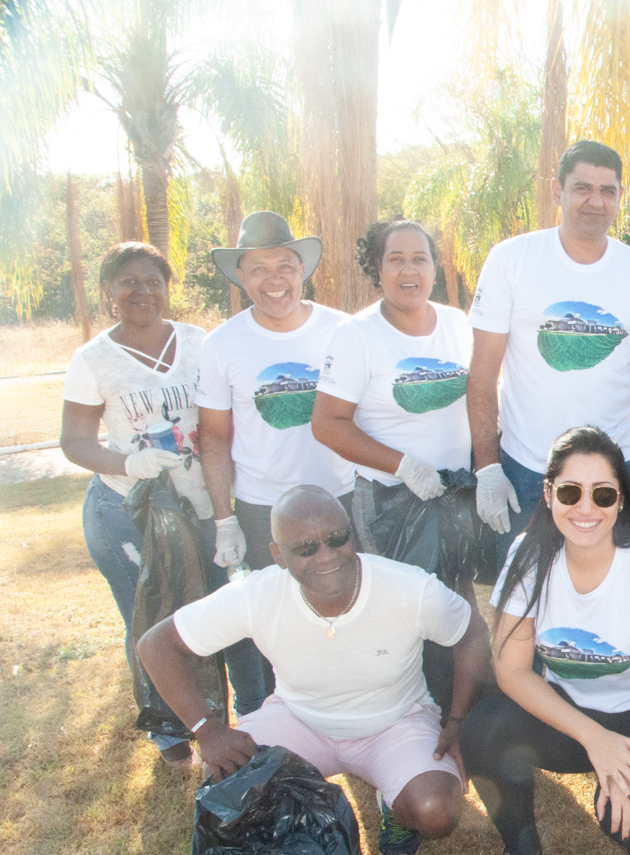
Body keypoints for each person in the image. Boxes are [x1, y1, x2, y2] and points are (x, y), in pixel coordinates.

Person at [135, 486, 485, 855]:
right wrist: (207, 728)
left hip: (395, 722)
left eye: (337, 538)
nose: (327, 555)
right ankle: (301, 812)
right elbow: (155, 645)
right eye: (305, 548)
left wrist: (459, 719)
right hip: (298, 719)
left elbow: (473, 634)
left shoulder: (410, 589)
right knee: (226, 786)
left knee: (435, 813)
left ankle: (393, 800)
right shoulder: (256, 594)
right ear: (277, 555)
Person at [457, 427, 630, 855]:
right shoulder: (527, 557)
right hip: (577, 716)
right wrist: (596, 740)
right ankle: (522, 853)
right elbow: (512, 673)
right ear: (548, 493)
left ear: (621, 501)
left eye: (603, 494)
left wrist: (629, 759)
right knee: (484, 729)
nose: (585, 508)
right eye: (570, 492)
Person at [60, 242, 265, 769]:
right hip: (131, 511)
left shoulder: (200, 343)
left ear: (167, 288)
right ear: (109, 292)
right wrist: (130, 464)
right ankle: (172, 726)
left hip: (209, 505)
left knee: (234, 610)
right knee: (154, 617)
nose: (142, 291)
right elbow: (74, 441)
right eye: (128, 281)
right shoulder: (94, 360)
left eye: (153, 281)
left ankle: (257, 712)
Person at [466, 140, 630, 563]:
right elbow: (483, 373)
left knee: (607, 595)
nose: (595, 201)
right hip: (527, 467)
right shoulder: (512, 259)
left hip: (612, 469)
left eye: (608, 190)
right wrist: (488, 468)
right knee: (522, 597)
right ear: (556, 192)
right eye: (582, 187)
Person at [198, 211, 354, 576]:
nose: (274, 280)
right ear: (240, 278)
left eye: (284, 266)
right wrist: (225, 521)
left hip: (341, 498)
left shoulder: (345, 332)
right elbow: (215, 438)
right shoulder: (220, 345)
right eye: (258, 269)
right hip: (262, 509)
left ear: (302, 270)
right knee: (272, 623)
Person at [313, 219, 475, 558]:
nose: (408, 270)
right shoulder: (356, 335)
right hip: (391, 503)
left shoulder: (456, 323)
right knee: (403, 605)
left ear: (434, 266)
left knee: (457, 604)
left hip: (455, 494)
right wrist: (405, 467)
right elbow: (327, 423)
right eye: (396, 259)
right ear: (378, 267)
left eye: (420, 258)